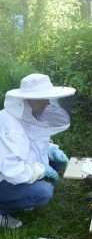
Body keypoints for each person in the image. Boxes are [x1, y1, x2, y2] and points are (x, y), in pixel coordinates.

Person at [0, 73, 76, 228]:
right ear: (29, 99)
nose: (48, 103)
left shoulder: (28, 114)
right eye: (43, 98)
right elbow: (13, 172)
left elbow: (34, 142)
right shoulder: (8, 125)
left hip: (16, 170)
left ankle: (20, 196)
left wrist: (52, 150)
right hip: (5, 176)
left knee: (58, 163)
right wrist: (41, 170)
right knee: (43, 192)